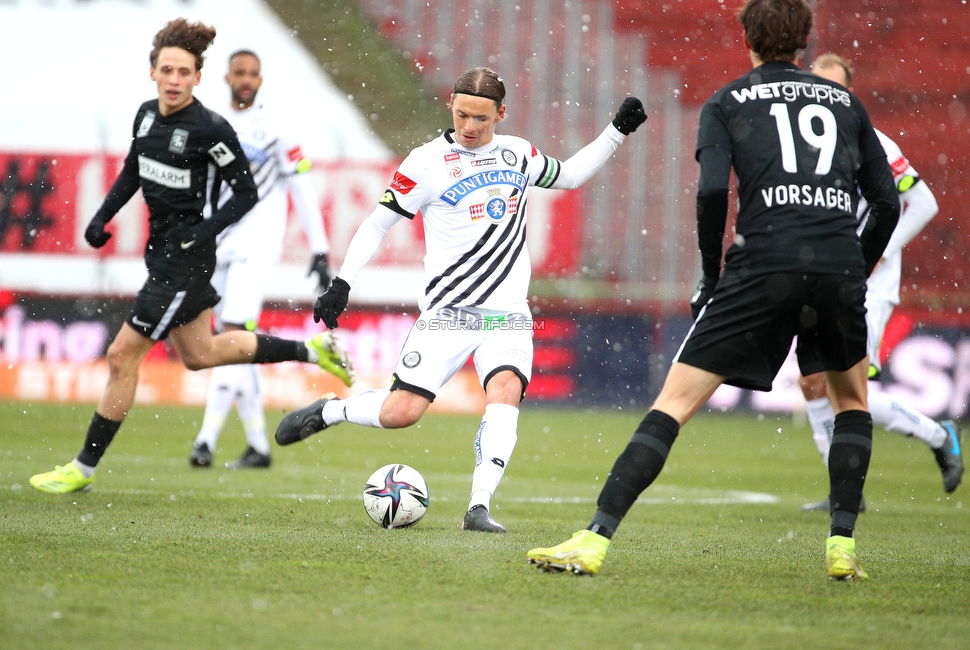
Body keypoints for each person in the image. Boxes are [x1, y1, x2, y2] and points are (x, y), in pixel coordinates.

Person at [527, 0, 900, 580]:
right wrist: (855, 265)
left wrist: (710, 272)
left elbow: (709, 194)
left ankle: (595, 538)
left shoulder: (727, 102)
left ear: (747, 38)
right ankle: (842, 545)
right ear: (804, 40)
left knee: (673, 404)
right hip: (835, 266)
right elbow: (886, 201)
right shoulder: (847, 102)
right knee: (851, 402)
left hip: (763, 265)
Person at [273, 66, 647, 533]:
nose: (469, 127)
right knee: (400, 414)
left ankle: (479, 507)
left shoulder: (518, 154)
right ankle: (331, 410)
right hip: (449, 313)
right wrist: (343, 283)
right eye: (462, 114)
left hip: (507, 315)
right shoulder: (426, 162)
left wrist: (616, 132)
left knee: (506, 390)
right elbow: (377, 224)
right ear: (450, 104)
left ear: (501, 114)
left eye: (482, 119)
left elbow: (568, 176)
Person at [29, 18, 351, 494]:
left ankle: (83, 468)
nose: (175, 79)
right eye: (167, 70)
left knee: (121, 357)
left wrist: (205, 231)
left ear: (199, 78)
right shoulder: (145, 116)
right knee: (201, 354)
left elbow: (245, 193)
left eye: (184, 71)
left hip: (185, 260)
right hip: (161, 254)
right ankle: (310, 350)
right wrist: (102, 216)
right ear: (153, 72)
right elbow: (133, 169)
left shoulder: (210, 128)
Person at [796, 53, 962, 509]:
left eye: (836, 88)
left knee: (849, 387)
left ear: (849, 93)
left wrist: (881, 252)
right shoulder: (802, 142)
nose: (826, 95)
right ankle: (843, 490)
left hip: (866, 283)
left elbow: (923, 203)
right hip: (819, 276)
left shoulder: (875, 143)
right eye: (819, 86)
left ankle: (938, 433)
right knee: (812, 383)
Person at [187, 49, 345, 470]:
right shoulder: (209, 124)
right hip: (215, 242)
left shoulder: (276, 128)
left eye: (253, 74)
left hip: (257, 243)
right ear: (226, 77)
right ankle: (258, 445)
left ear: (260, 79)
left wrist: (319, 247)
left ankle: (205, 439)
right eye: (239, 73)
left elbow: (301, 188)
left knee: (233, 333)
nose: (246, 80)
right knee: (227, 342)